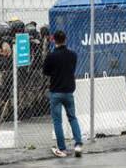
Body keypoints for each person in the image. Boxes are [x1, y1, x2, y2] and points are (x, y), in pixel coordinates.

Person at [42, 30, 83, 158]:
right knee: (72, 117)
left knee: (57, 121)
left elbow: (45, 72)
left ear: (54, 40)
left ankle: (62, 148)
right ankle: (78, 145)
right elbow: (72, 69)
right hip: (69, 91)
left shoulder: (51, 56)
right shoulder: (73, 55)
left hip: (56, 91)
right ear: (65, 39)